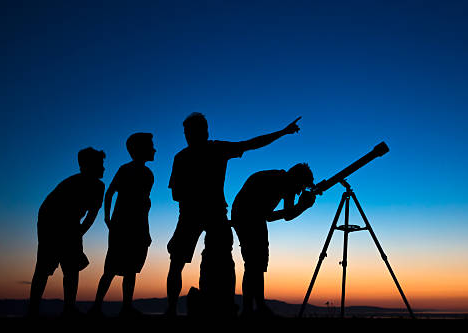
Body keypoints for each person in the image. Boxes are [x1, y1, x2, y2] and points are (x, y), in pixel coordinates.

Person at [166, 113, 301, 317]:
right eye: (186, 132)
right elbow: (176, 193)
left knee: (216, 262)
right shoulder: (187, 156)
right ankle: (172, 309)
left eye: (190, 132)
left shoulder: (210, 150)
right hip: (196, 214)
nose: (188, 136)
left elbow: (252, 144)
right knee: (179, 261)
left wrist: (283, 132)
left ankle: (219, 306)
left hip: (209, 214)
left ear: (204, 131)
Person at [27, 147, 106, 317]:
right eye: (99, 164)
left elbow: (91, 216)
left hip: (70, 223)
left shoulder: (99, 186)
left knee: (71, 266)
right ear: (86, 166)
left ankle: (69, 307)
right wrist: (74, 234)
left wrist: (78, 234)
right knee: (44, 266)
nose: (103, 168)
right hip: (50, 221)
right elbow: (51, 210)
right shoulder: (71, 183)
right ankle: (33, 310)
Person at [231, 163, 316, 317]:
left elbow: (280, 215)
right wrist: (303, 207)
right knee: (253, 264)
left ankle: (257, 307)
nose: (299, 192)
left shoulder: (284, 182)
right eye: (301, 187)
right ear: (296, 179)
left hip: (252, 218)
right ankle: (250, 309)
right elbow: (284, 215)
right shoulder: (275, 181)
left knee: (257, 264)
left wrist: (301, 206)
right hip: (247, 218)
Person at [89, 133, 155, 317]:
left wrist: (108, 217)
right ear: (139, 150)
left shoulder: (146, 174)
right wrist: (107, 217)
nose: (154, 149)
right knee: (112, 268)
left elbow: (142, 206)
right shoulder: (128, 170)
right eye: (150, 146)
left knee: (129, 269)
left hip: (132, 227)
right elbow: (111, 193)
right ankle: (97, 307)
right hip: (124, 226)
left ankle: (124, 307)